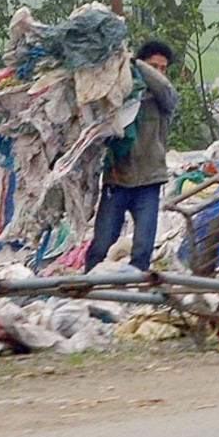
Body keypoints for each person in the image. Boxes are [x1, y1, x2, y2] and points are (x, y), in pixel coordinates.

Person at [84, 39, 179, 273]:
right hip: (117, 180)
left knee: (142, 248)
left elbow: (165, 89)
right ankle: (89, 287)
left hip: (149, 182)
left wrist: (133, 61)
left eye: (163, 68)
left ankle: (135, 295)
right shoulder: (121, 97)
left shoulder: (162, 101)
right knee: (102, 244)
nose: (158, 73)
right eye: (153, 66)